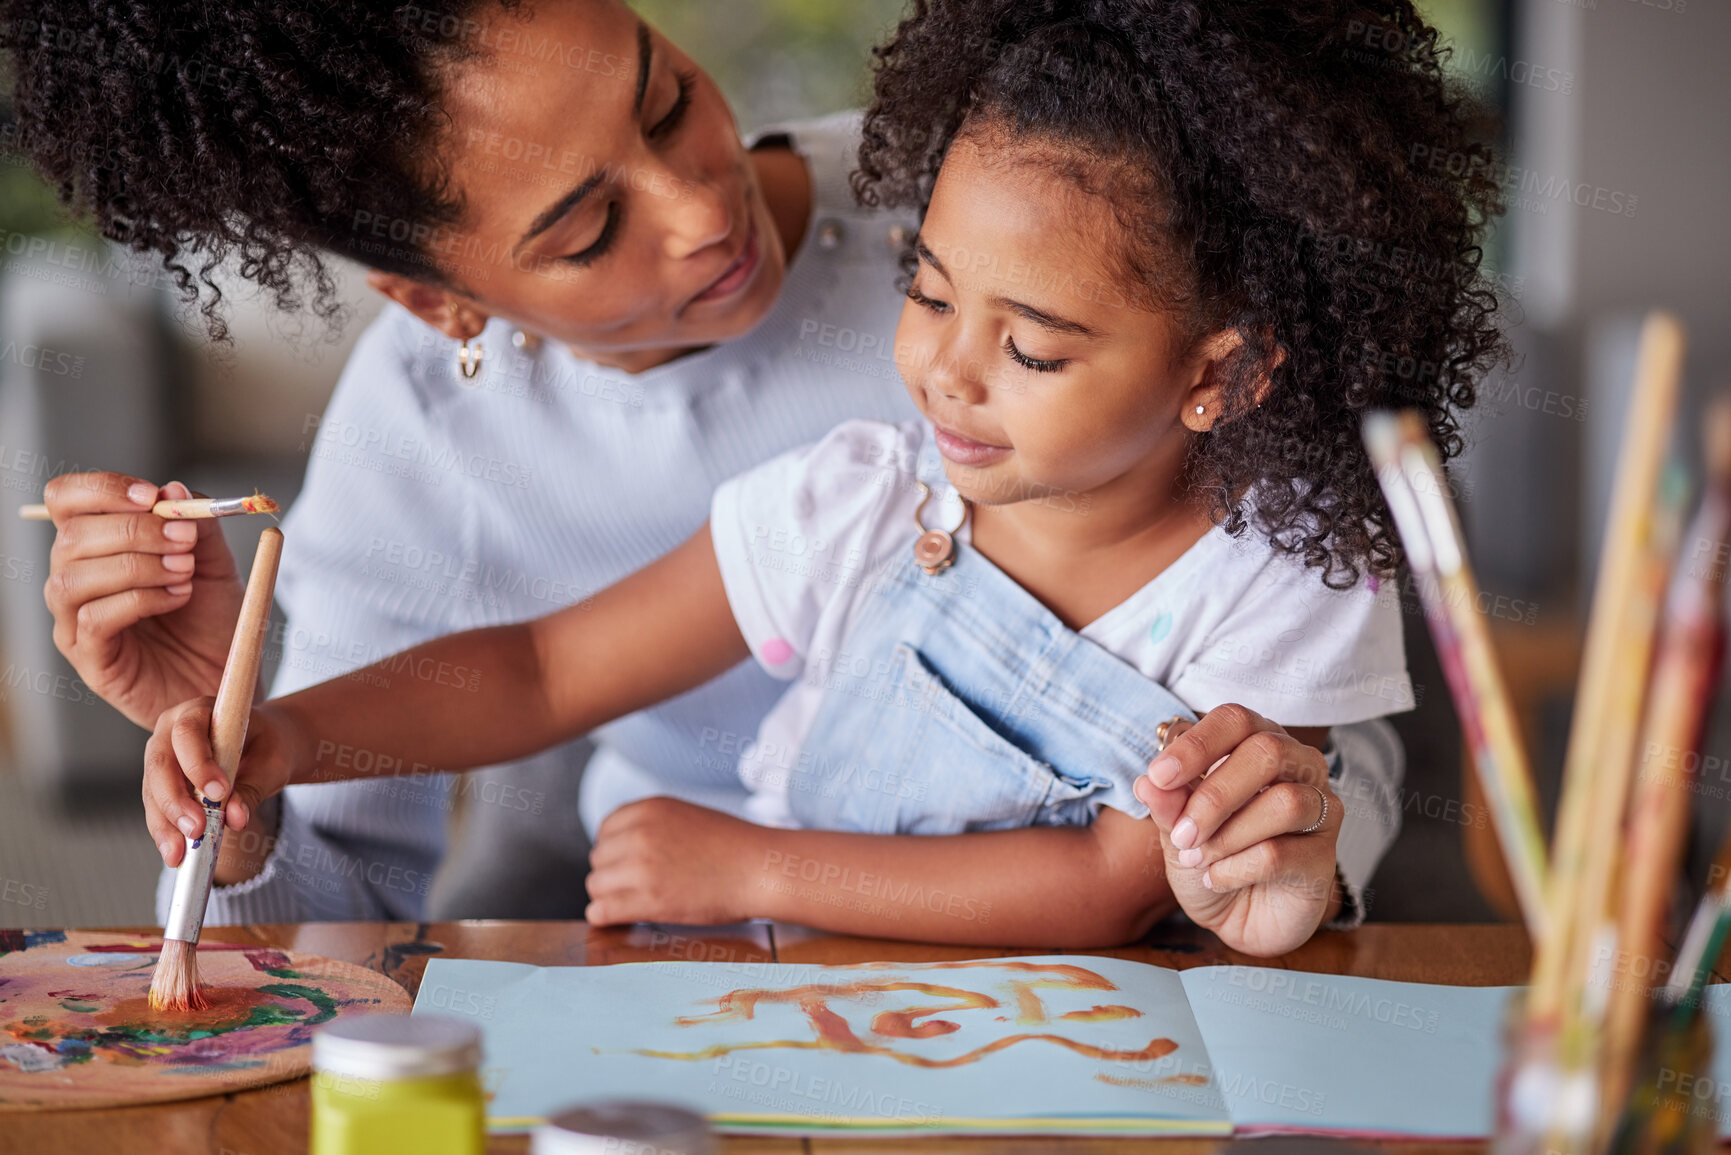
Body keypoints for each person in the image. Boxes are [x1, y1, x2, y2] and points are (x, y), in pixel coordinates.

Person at [9, 0, 1415, 926]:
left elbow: (1247, 804)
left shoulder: (1023, 201)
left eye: (668, 98)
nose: (700, 206)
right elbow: (528, 688)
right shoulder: (858, 488)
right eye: (583, 229)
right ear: (444, 305)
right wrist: (260, 735)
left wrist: (1301, 843)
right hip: (717, 947)